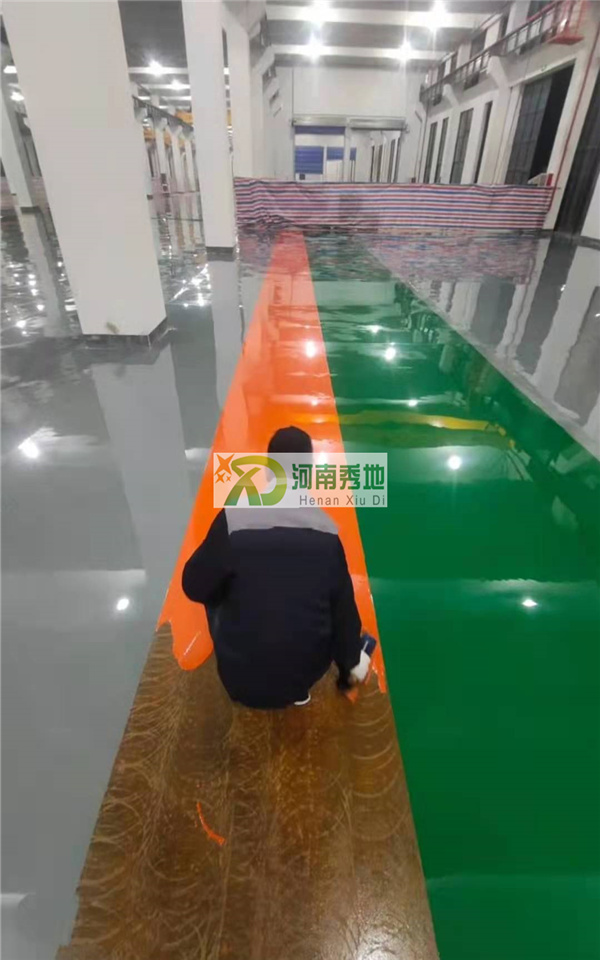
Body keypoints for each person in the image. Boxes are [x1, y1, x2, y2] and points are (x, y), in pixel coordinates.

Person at [182, 426, 371, 709]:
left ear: (268, 470)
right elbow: (344, 619)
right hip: (302, 677)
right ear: (307, 474)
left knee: (215, 582)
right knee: (331, 601)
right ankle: (296, 691)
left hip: (237, 677)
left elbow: (194, 586)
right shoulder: (328, 535)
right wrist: (352, 664)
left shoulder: (233, 518)